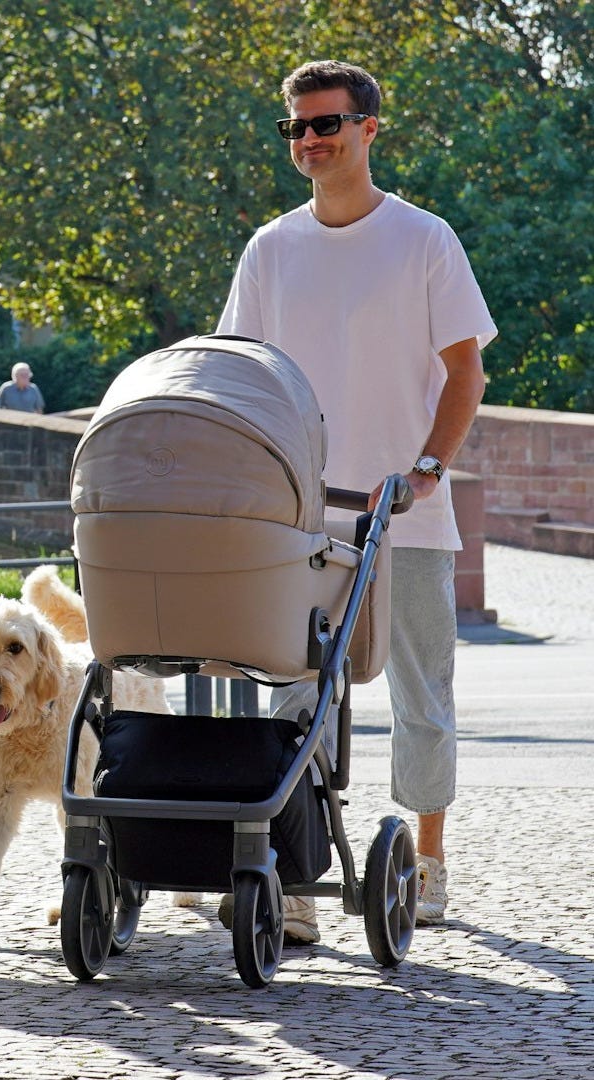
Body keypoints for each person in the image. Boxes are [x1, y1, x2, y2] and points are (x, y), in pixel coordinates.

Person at [217, 60, 496, 940]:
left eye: (325, 124)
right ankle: (293, 875)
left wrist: (427, 469)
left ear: (369, 128)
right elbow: (240, 374)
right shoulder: (270, 249)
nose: (308, 140)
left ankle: (428, 859)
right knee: (295, 697)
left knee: (422, 698)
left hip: (406, 514)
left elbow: (466, 372)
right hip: (301, 519)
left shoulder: (424, 240)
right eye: (295, 127)